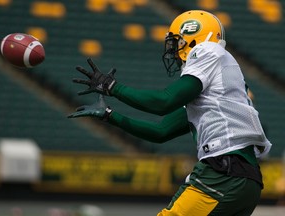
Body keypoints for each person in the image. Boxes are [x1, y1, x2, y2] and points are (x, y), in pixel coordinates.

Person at [68, 10, 272, 216]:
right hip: (246, 179)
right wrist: (110, 116)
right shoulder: (216, 91)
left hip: (223, 172)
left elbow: (163, 102)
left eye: (177, 42)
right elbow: (161, 131)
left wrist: (112, 87)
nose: (173, 50)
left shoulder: (209, 50)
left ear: (194, 37)